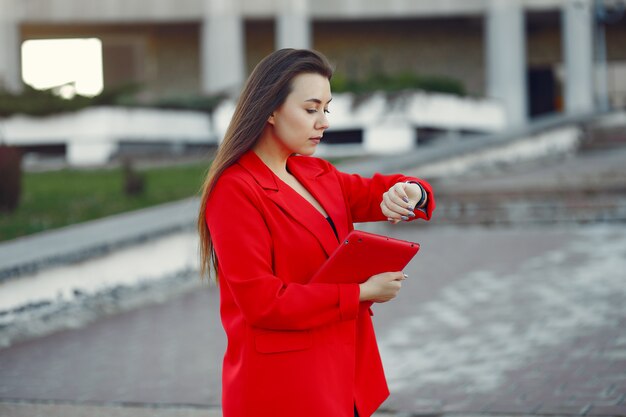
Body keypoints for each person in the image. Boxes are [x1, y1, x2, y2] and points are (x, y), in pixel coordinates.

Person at [197, 48, 435, 417]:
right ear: (271, 110)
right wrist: (360, 292)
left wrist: (409, 192)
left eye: (327, 109)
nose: (323, 121)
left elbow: (387, 188)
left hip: (345, 375)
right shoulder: (235, 190)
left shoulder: (316, 173)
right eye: (311, 109)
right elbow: (264, 303)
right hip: (285, 386)